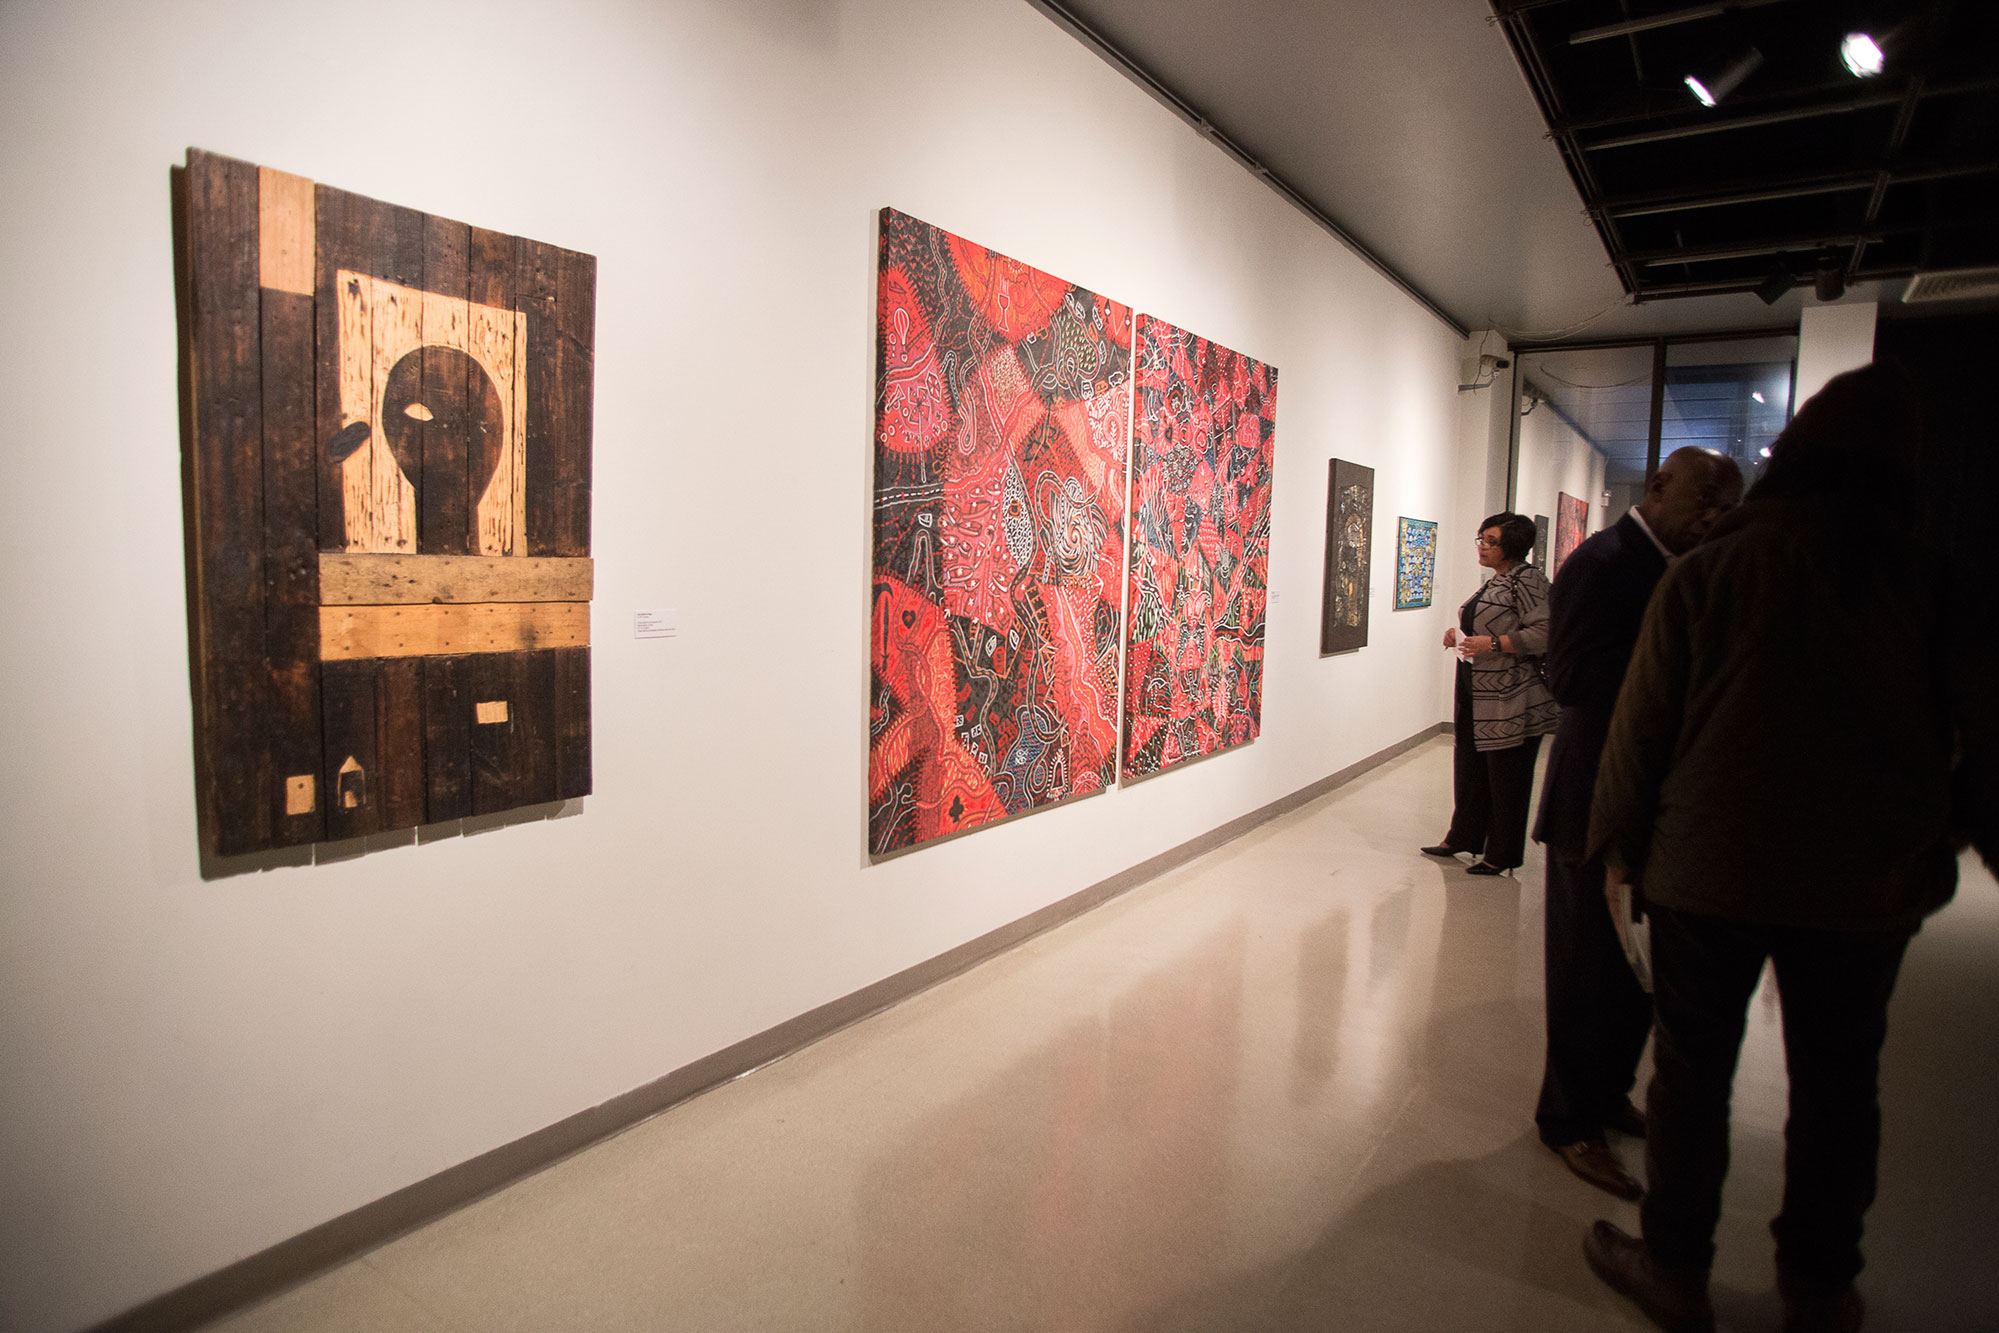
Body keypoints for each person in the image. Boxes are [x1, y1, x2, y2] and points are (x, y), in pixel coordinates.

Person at [1579, 362, 1998, 1333]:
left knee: (1691, 1075)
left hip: (1709, 871)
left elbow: (1641, 727)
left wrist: (1616, 849)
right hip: (1862, 885)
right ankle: (1819, 1284)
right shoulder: (1926, 582)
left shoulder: (1711, 569)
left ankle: (1673, 1264)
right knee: (1839, 1085)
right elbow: (1984, 731)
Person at [1532, 448, 1744, 1202]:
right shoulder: (1602, 563)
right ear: (1658, 487)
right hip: (1592, 797)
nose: (1713, 514)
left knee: (1634, 970)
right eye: (1704, 497)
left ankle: (1607, 1093)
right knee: (1585, 970)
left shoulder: (1681, 568)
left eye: (1726, 504)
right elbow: (1570, 677)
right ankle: (1569, 1120)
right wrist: (1675, 672)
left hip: (1652, 802)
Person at [1421, 512, 1558, 876]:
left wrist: (1494, 644)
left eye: (1491, 541)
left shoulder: (1528, 580)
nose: (1482, 546)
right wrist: (1460, 636)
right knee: (1471, 767)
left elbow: (1547, 632)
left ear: (1512, 546)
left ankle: (1502, 853)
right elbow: (1483, 622)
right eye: (1481, 538)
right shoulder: (1497, 580)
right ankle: (1463, 836)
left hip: (1510, 696)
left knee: (1507, 777)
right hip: (1477, 688)